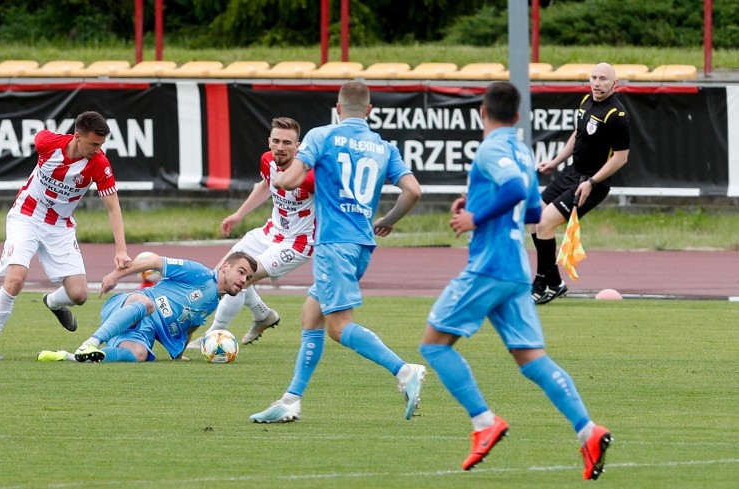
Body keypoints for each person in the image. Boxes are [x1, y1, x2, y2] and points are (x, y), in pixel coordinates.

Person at [419, 81, 612, 480]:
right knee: (531, 359)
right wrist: (476, 206)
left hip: (490, 267)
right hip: (516, 272)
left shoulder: (491, 148)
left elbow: (509, 191)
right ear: (518, 117)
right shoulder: (523, 152)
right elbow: (529, 213)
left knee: (434, 345)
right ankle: (588, 431)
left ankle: (483, 422)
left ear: (482, 113)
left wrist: (475, 217)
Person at [249, 81, 425, 424]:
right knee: (311, 316)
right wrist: (387, 219)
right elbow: (413, 191)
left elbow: (287, 180)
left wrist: (283, 178)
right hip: (361, 243)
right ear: (370, 111)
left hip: (333, 244)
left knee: (339, 327)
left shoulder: (321, 136)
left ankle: (405, 371)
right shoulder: (383, 146)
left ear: (338, 108)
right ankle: (290, 400)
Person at [0, 111, 132, 361]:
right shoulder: (47, 143)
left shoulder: (100, 164)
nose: (98, 150)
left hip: (60, 226)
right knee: (16, 279)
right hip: (26, 215)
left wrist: (121, 250)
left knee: (79, 295)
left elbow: (113, 207)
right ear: (77, 136)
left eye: (102, 144)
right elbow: (37, 137)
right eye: (94, 144)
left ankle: (52, 302)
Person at [187, 117, 315, 348]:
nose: (280, 147)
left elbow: (334, 203)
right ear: (269, 141)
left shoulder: (310, 175)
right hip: (270, 231)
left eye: (287, 142)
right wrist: (239, 214)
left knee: (235, 280)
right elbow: (267, 184)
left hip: (297, 243)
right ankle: (263, 315)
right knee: (220, 274)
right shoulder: (268, 160)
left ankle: (214, 335)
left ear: (298, 146)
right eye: (276, 141)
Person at [37, 251, 257, 363]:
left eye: (248, 277)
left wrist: (178, 354)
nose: (243, 279)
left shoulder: (213, 301)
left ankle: (70, 357)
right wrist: (115, 275)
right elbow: (153, 261)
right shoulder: (199, 272)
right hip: (130, 304)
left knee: (139, 354)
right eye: (241, 272)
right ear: (226, 266)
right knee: (147, 303)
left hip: (144, 331)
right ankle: (90, 343)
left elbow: (190, 326)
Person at [531, 62, 631, 304]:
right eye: (594, 77)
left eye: (603, 79)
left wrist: (592, 182)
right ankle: (554, 283)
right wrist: (555, 161)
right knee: (534, 218)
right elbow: (578, 134)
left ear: (614, 84)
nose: (597, 83)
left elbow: (621, 158)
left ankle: (540, 284)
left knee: (545, 224)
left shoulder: (617, 115)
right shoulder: (586, 101)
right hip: (572, 173)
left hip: (592, 183)